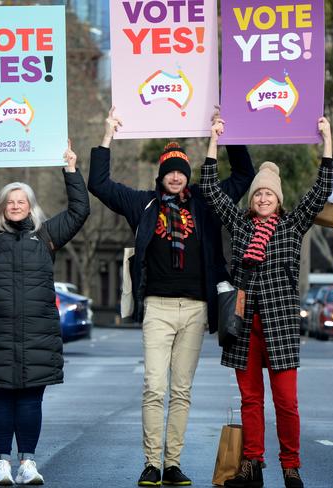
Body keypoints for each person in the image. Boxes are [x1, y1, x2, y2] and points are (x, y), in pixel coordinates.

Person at [88, 107, 255, 486]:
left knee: (181, 390)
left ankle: (173, 463)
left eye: (181, 171)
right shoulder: (142, 204)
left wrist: (227, 134)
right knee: (154, 387)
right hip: (158, 309)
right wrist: (107, 133)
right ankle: (151, 463)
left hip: (197, 309)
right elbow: (99, 184)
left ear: (188, 174)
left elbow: (243, 174)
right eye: (169, 172)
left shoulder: (207, 200)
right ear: (161, 176)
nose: (176, 177)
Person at [200, 117, 333, 488]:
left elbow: (321, 190)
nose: (262, 198)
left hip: (280, 325)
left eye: (269, 194)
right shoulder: (240, 226)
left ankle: (291, 466)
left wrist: (326, 142)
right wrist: (214, 140)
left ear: (278, 199)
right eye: (258, 193)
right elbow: (210, 190)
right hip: (243, 325)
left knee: (287, 402)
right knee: (250, 400)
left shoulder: (292, 227)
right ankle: (251, 464)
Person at [0, 141, 90, 485]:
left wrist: (71, 170)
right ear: (2, 206)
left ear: (30, 206)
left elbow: (79, 211)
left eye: (22, 201)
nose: (16, 206)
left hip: (37, 335)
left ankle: (27, 463)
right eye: (10, 201)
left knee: (30, 402)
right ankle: (2, 463)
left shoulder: (46, 235)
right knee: (0, 400)